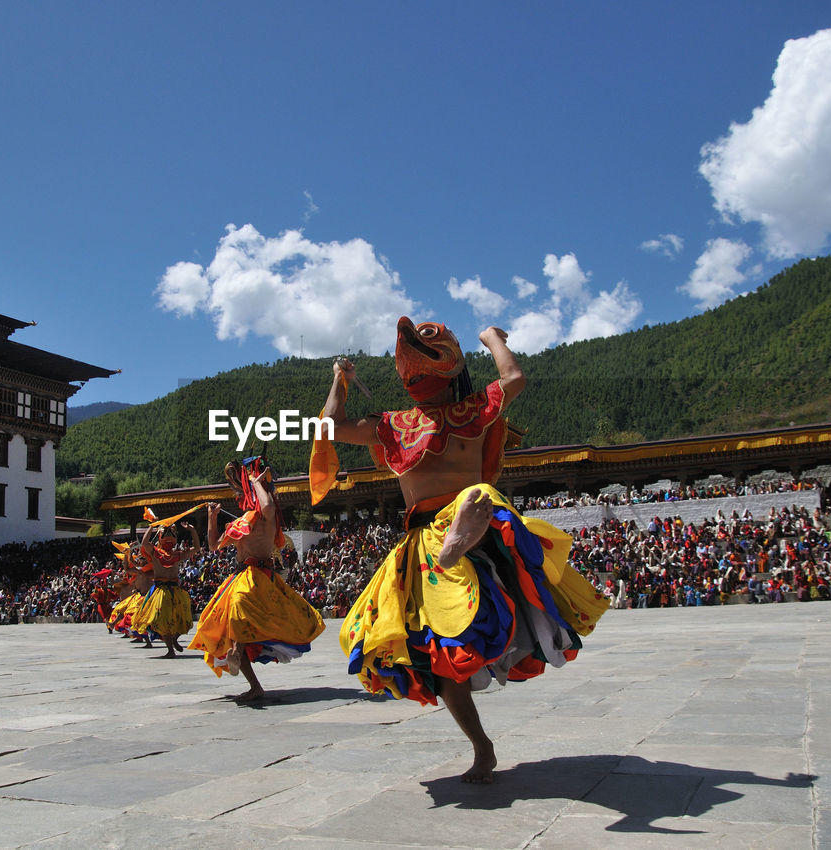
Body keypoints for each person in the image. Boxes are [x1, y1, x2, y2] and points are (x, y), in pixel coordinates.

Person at [320, 318, 608, 783]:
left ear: (451, 367)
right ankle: (482, 746)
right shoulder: (396, 423)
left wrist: (490, 339)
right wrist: (340, 380)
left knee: (478, 504)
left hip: (463, 521)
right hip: (425, 540)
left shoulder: (470, 409)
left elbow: (513, 380)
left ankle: (463, 534)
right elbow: (329, 427)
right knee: (440, 654)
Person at [189, 458, 325, 701]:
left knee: (239, 609)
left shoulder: (267, 517)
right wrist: (212, 517)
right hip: (241, 576)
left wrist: (256, 482)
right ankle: (253, 682)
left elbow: (268, 506)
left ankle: (237, 649)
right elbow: (212, 547)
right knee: (225, 623)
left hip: (259, 577)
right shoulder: (240, 523)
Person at [130, 520, 200, 655]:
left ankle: (173, 640)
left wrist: (192, 530)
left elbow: (196, 548)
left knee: (183, 621)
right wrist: (151, 527)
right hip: (160, 591)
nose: (169, 537)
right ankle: (170, 649)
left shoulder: (177, 554)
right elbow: (145, 543)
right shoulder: (155, 552)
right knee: (162, 622)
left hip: (175, 590)